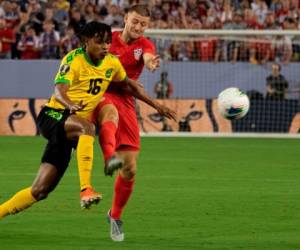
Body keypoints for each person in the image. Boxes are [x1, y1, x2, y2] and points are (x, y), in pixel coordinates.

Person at [0, 21, 167, 219]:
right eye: (99, 42)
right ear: (86, 41)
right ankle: (86, 189)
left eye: (107, 42)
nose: (105, 46)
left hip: (70, 130)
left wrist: (156, 105)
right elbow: (59, 90)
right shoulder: (73, 59)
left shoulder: (111, 63)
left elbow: (128, 86)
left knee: (40, 190)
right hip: (53, 115)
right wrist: (69, 104)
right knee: (88, 127)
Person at [92, 4, 173, 242]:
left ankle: (114, 215)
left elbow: (148, 57)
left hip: (127, 100)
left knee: (130, 168)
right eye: (135, 21)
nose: (138, 27)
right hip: (100, 92)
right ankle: (108, 157)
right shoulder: (108, 38)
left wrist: (150, 63)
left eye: (143, 24)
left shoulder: (145, 46)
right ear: (125, 18)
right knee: (109, 113)